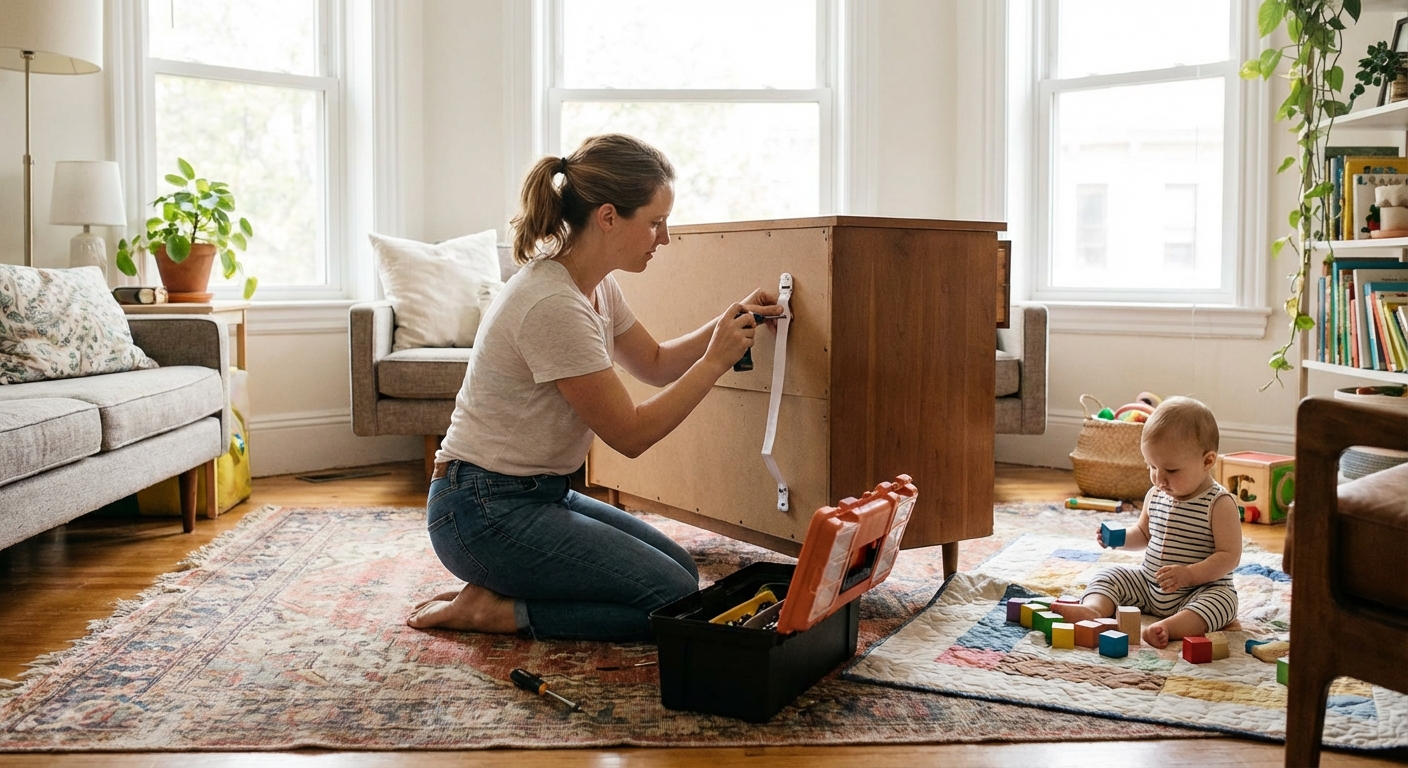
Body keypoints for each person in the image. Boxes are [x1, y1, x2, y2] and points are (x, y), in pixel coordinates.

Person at [406, 133, 782, 641]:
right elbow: (630, 436)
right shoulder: (552, 305)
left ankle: (506, 591)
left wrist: (726, 322)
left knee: (683, 577)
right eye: (654, 222)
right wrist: (716, 361)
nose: (664, 238)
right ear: (608, 217)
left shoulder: (597, 285)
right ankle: (497, 612)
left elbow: (654, 362)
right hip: (479, 511)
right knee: (671, 599)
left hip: (541, 494)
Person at [1050, 396, 1242, 649]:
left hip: (1198, 590)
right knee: (1111, 575)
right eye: (1152, 466)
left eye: (1171, 471)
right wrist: (1117, 539)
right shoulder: (1156, 494)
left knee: (1223, 602)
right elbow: (1143, 533)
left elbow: (1229, 556)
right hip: (1149, 584)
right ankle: (1093, 610)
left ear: (1207, 461)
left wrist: (1189, 575)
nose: (1159, 479)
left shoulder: (1219, 503)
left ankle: (1169, 627)